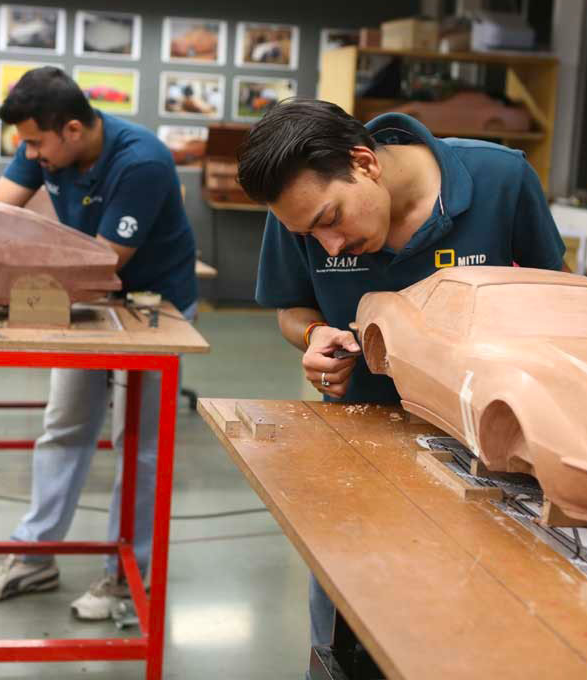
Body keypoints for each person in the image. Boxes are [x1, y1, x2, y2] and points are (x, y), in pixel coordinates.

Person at [237, 98, 568, 655]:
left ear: (365, 163)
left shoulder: (500, 179)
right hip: (359, 444)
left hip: (485, 450)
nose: (330, 246)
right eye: (311, 236)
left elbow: (556, 299)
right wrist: (316, 334)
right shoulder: (298, 208)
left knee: (470, 618)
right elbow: (291, 308)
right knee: (346, 625)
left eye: (331, 221)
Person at [0, 66, 197, 620]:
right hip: (87, 301)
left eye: (36, 143)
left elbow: (102, 262)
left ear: (72, 129)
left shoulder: (141, 161)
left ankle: (125, 573)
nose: (30, 155)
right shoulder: (41, 144)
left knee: (139, 445)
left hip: (152, 307)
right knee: (64, 426)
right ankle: (35, 555)